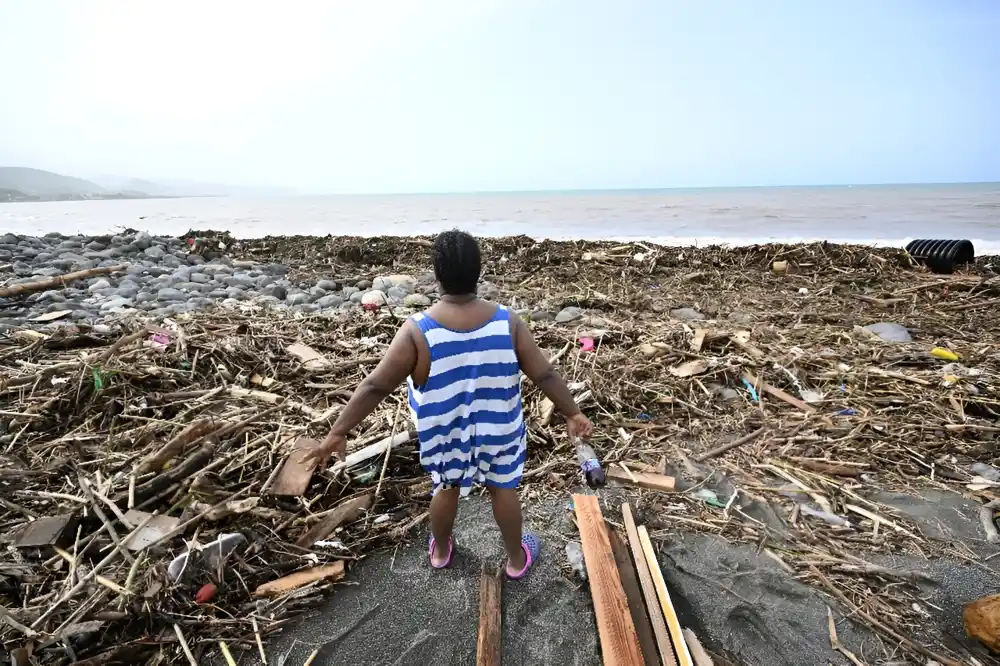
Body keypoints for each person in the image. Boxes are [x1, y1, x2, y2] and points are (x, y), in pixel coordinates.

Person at [305, 229, 592, 578]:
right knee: (503, 489)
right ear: (478, 272)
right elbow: (544, 374)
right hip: (499, 428)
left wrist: (339, 431)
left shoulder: (418, 331)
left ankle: (441, 550)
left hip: (446, 434)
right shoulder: (507, 322)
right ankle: (517, 559)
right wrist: (572, 412)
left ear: (437, 276)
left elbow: (376, 385)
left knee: (447, 487)